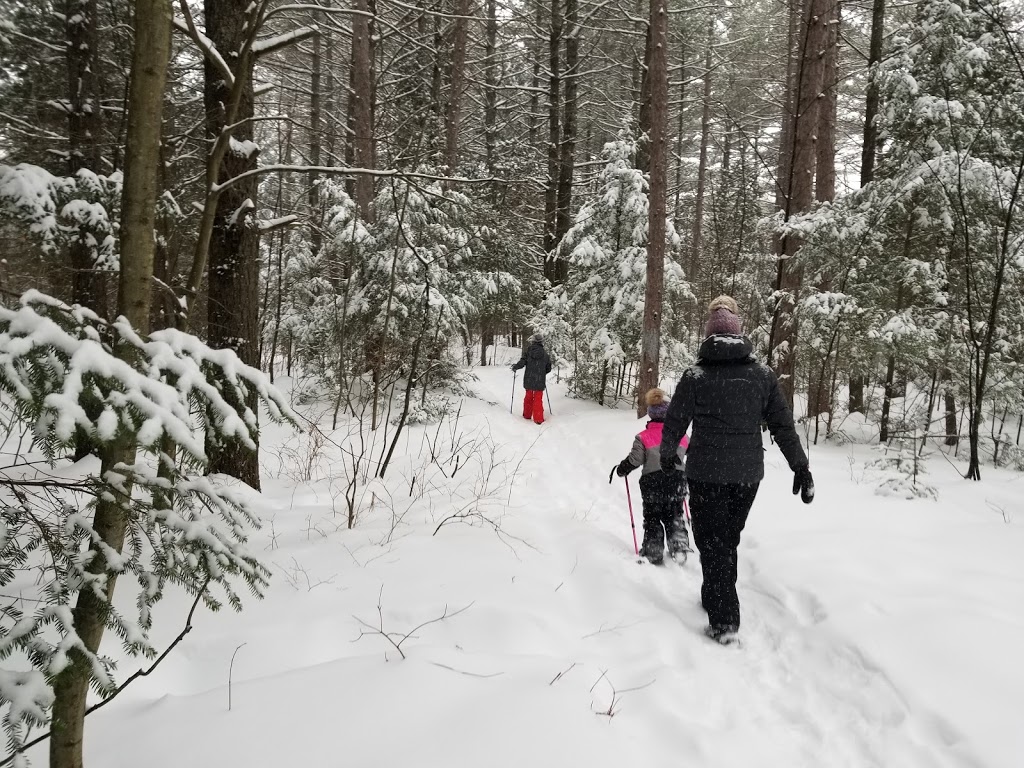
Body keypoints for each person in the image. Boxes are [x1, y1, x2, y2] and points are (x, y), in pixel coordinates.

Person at [659, 295, 814, 645]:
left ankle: (725, 619)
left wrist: (668, 455)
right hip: (746, 476)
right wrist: (799, 465)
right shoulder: (762, 376)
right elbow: (782, 425)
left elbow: (675, 422)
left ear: (709, 336)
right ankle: (713, 592)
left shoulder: (695, 375)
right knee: (725, 538)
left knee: (713, 541)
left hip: (705, 472)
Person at [610, 388, 690, 565]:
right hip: (677, 480)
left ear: (651, 415)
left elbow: (635, 459)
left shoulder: (643, 437)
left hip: (652, 482)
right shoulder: (682, 435)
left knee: (653, 516)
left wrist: (623, 468)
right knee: (675, 513)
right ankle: (679, 545)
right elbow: (692, 452)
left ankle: (653, 550)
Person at [511, 333, 552, 425]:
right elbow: (548, 368)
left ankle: (527, 415)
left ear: (533, 341)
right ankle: (538, 419)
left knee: (528, 397)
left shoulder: (528, 352)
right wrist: (541, 372)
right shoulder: (545, 354)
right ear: (541, 341)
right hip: (540, 380)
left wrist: (515, 367)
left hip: (529, 378)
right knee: (538, 398)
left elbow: (522, 362)